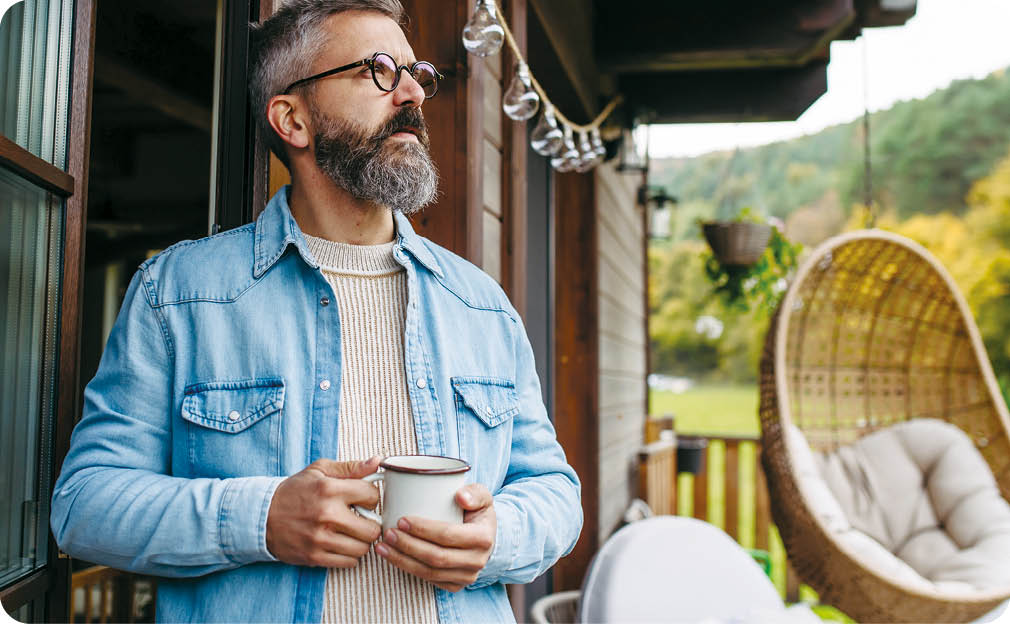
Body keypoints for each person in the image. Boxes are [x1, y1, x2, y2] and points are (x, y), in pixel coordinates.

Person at [50, 0, 582, 622]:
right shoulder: (176, 295)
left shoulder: (482, 305)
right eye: (378, 70)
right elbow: (84, 506)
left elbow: (554, 492)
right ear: (292, 119)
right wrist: (261, 518)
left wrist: (499, 536)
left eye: (416, 73)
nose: (412, 92)